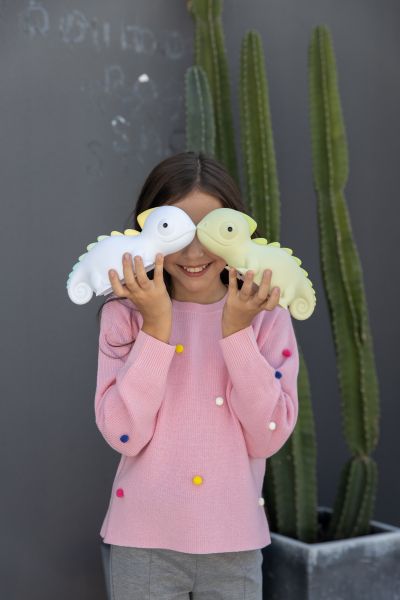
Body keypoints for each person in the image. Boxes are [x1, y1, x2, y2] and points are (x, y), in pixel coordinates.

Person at [94, 151, 300, 599]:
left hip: (234, 538)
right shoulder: (125, 314)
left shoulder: (267, 315)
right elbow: (123, 434)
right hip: (142, 540)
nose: (193, 252)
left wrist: (237, 332)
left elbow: (268, 436)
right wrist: (155, 327)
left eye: (210, 230)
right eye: (175, 230)